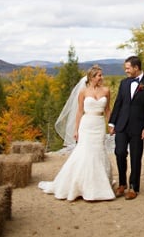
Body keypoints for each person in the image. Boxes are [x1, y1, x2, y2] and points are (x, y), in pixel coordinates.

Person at [38, 65, 115, 201]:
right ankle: (80, 185)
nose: (101, 78)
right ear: (91, 77)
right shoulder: (83, 92)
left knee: (98, 152)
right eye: (99, 75)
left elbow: (108, 110)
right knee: (85, 152)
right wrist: (76, 129)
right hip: (86, 125)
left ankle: (99, 184)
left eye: (101, 75)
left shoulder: (106, 91)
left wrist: (110, 124)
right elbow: (79, 111)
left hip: (98, 125)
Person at [108, 55, 144, 200]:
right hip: (122, 125)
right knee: (119, 152)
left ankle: (134, 187)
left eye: (128, 68)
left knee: (136, 157)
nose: (126, 71)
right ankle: (122, 183)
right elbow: (118, 104)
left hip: (138, 127)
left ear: (136, 68)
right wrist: (112, 123)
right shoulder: (124, 83)